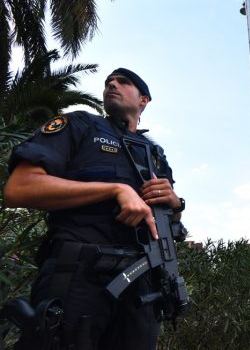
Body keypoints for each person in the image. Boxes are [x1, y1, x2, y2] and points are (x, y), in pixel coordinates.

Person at [4, 68, 186, 350]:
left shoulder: (155, 156)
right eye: (108, 82)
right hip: (78, 278)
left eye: (123, 82)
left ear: (143, 101)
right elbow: (20, 188)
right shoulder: (80, 125)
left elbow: (170, 226)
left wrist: (176, 205)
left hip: (143, 289)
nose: (112, 84)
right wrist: (114, 189)